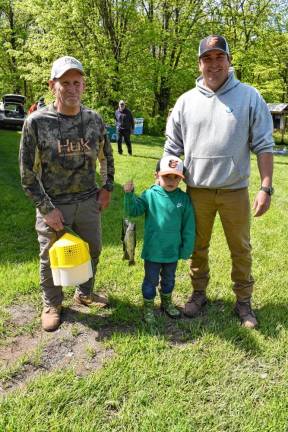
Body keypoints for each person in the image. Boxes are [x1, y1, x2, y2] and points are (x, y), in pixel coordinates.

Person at [164, 35, 274, 329]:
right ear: (199, 64)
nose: (214, 64)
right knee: (197, 246)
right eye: (207, 59)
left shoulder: (250, 96)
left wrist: (265, 187)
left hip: (235, 190)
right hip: (196, 190)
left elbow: (264, 145)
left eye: (219, 57)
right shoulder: (185, 102)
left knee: (240, 248)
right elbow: (172, 147)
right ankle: (198, 293)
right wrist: (166, 175)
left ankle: (244, 301)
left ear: (229, 61)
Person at [19, 56, 115, 332]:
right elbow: (27, 171)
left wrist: (107, 188)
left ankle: (84, 292)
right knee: (50, 256)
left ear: (83, 85)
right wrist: (46, 208)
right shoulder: (36, 122)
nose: (72, 88)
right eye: (65, 83)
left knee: (93, 248)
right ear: (53, 86)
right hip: (53, 203)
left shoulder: (93, 119)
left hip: (87, 201)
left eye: (77, 82)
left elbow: (106, 157)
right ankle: (52, 303)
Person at [123, 155, 195, 324]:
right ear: (156, 175)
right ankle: (148, 307)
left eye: (176, 177)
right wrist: (129, 195)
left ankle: (166, 302)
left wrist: (186, 249)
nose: (171, 181)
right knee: (150, 280)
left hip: (172, 251)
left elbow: (189, 227)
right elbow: (133, 211)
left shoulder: (184, 199)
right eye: (166, 176)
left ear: (181, 179)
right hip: (153, 251)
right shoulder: (149, 195)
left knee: (169, 279)